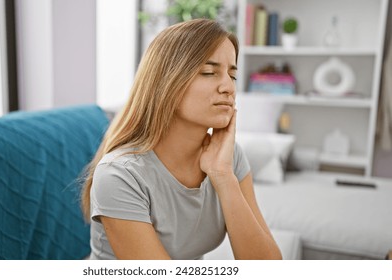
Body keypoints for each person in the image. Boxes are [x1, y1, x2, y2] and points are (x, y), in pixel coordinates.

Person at [81, 18, 282, 260]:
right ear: (167, 82)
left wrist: (223, 177)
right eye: (209, 72)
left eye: (232, 75)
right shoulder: (120, 175)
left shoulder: (228, 158)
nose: (228, 87)